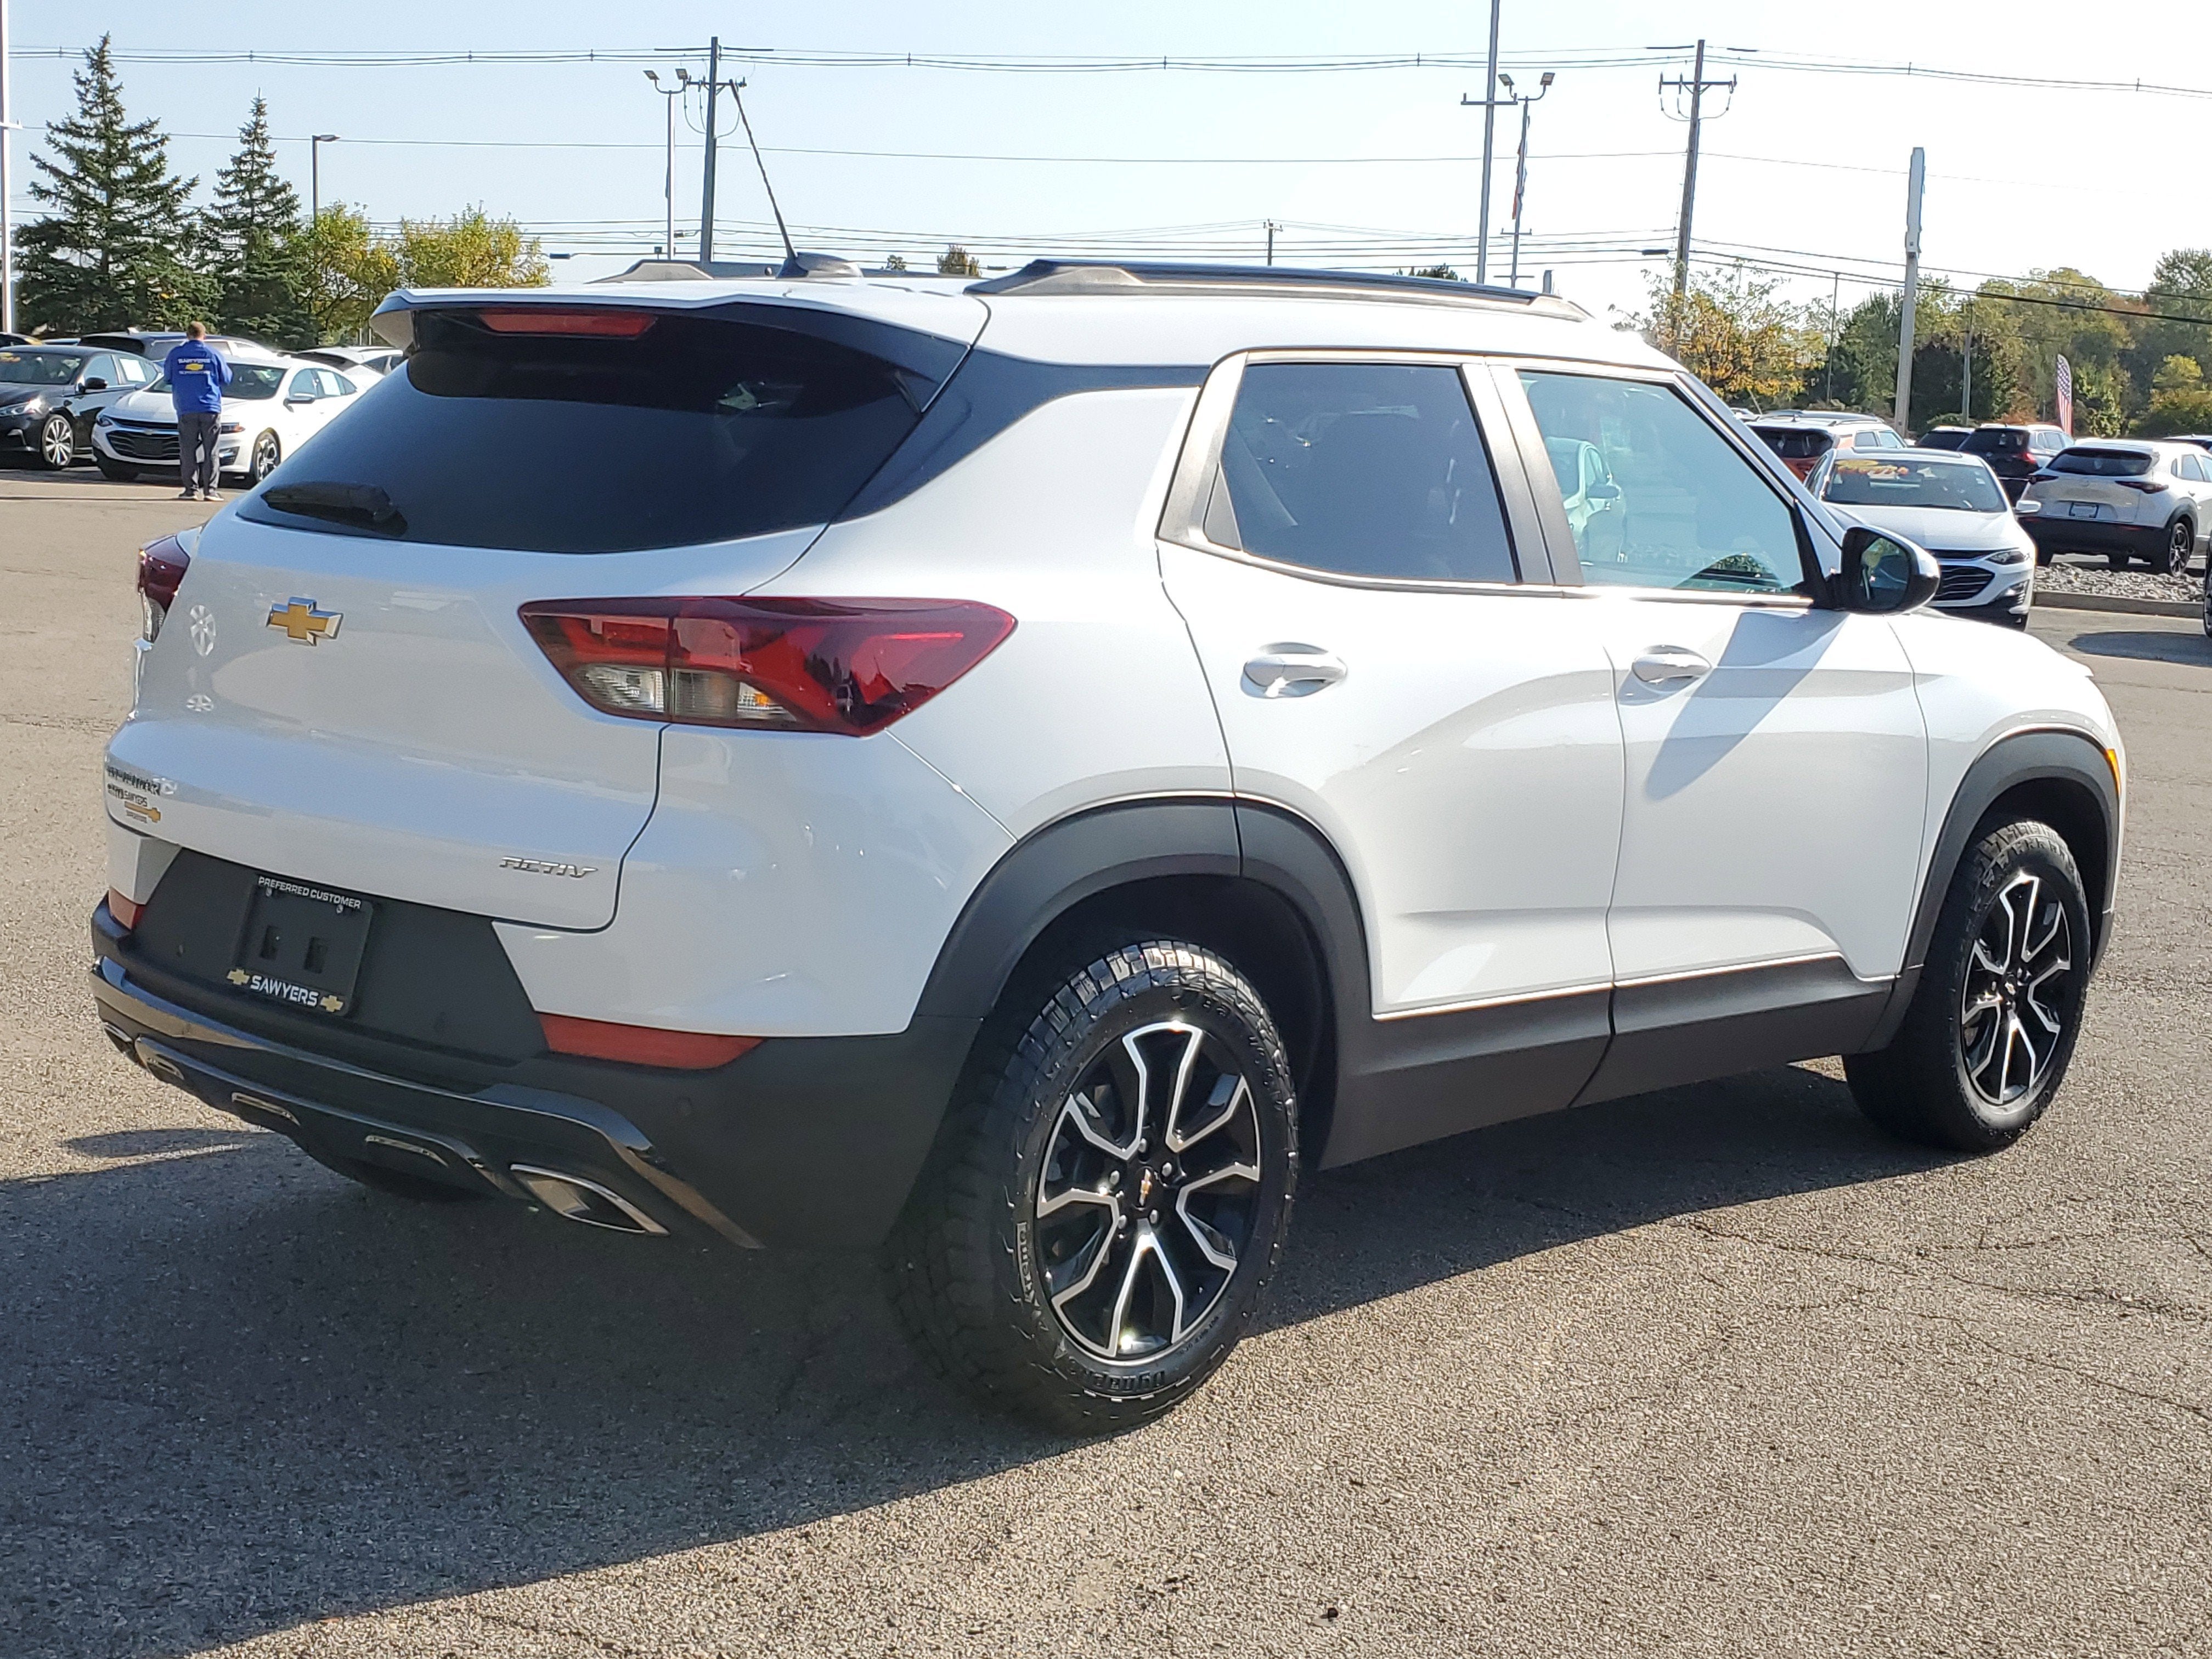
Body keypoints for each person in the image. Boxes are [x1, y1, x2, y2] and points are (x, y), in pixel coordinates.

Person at [162, 323, 232, 501]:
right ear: (204, 335)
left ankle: (190, 490)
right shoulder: (213, 354)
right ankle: (211, 491)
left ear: (187, 335)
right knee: (211, 451)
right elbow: (227, 378)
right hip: (210, 407)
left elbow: (168, 378)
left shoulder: (176, 354)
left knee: (187, 450)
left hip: (186, 408)